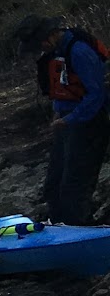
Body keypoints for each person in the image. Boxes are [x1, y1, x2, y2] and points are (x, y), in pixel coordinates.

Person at [17, 15, 110, 224]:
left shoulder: (79, 51)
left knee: (75, 184)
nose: (40, 49)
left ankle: (80, 229)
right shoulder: (57, 52)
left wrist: (71, 119)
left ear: (50, 36)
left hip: (89, 123)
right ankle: (59, 225)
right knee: (54, 183)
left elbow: (96, 94)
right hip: (66, 121)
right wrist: (58, 112)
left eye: (40, 43)